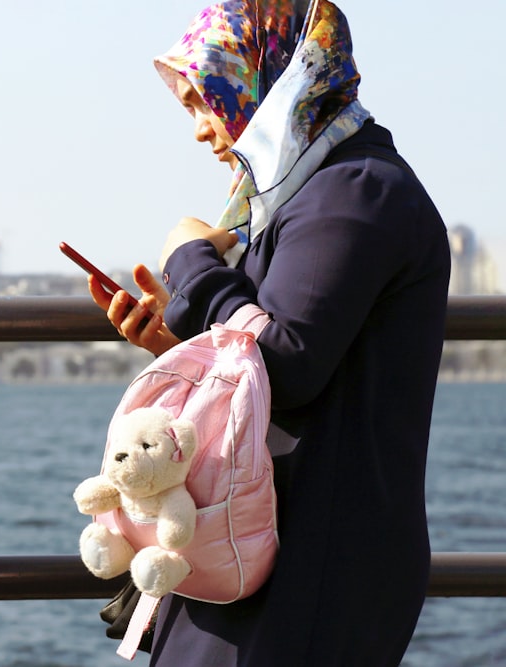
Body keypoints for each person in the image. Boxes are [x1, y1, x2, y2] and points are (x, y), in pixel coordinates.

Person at [87, 1, 450, 665]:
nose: (200, 131)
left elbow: (287, 363)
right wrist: (176, 346)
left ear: (266, 76)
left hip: (312, 562)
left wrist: (191, 260)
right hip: (280, 549)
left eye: (205, 99)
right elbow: (281, 361)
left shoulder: (353, 192)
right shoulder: (322, 189)